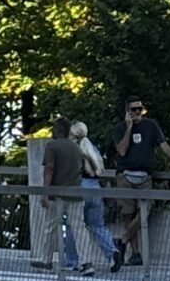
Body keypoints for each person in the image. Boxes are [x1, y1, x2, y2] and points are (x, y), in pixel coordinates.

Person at [112, 95, 170, 266]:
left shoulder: (151, 125)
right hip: (125, 174)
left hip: (144, 176)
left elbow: (164, 145)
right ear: (127, 111)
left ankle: (122, 240)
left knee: (145, 210)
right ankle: (135, 253)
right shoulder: (120, 128)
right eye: (134, 109)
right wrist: (129, 128)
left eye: (140, 108)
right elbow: (121, 151)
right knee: (127, 213)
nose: (138, 112)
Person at [70, 119, 120, 271]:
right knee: (98, 225)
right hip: (95, 187)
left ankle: (73, 260)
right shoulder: (92, 147)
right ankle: (112, 252)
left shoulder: (73, 149)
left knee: (75, 225)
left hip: (80, 187)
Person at [42, 116, 89, 272]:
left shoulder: (52, 146)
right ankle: (86, 262)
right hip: (76, 192)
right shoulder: (77, 148)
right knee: (79, 227)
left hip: (56, 194)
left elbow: (49, 169)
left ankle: (46, 261)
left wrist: (45, 193)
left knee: (50, 227)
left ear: (57, 130)